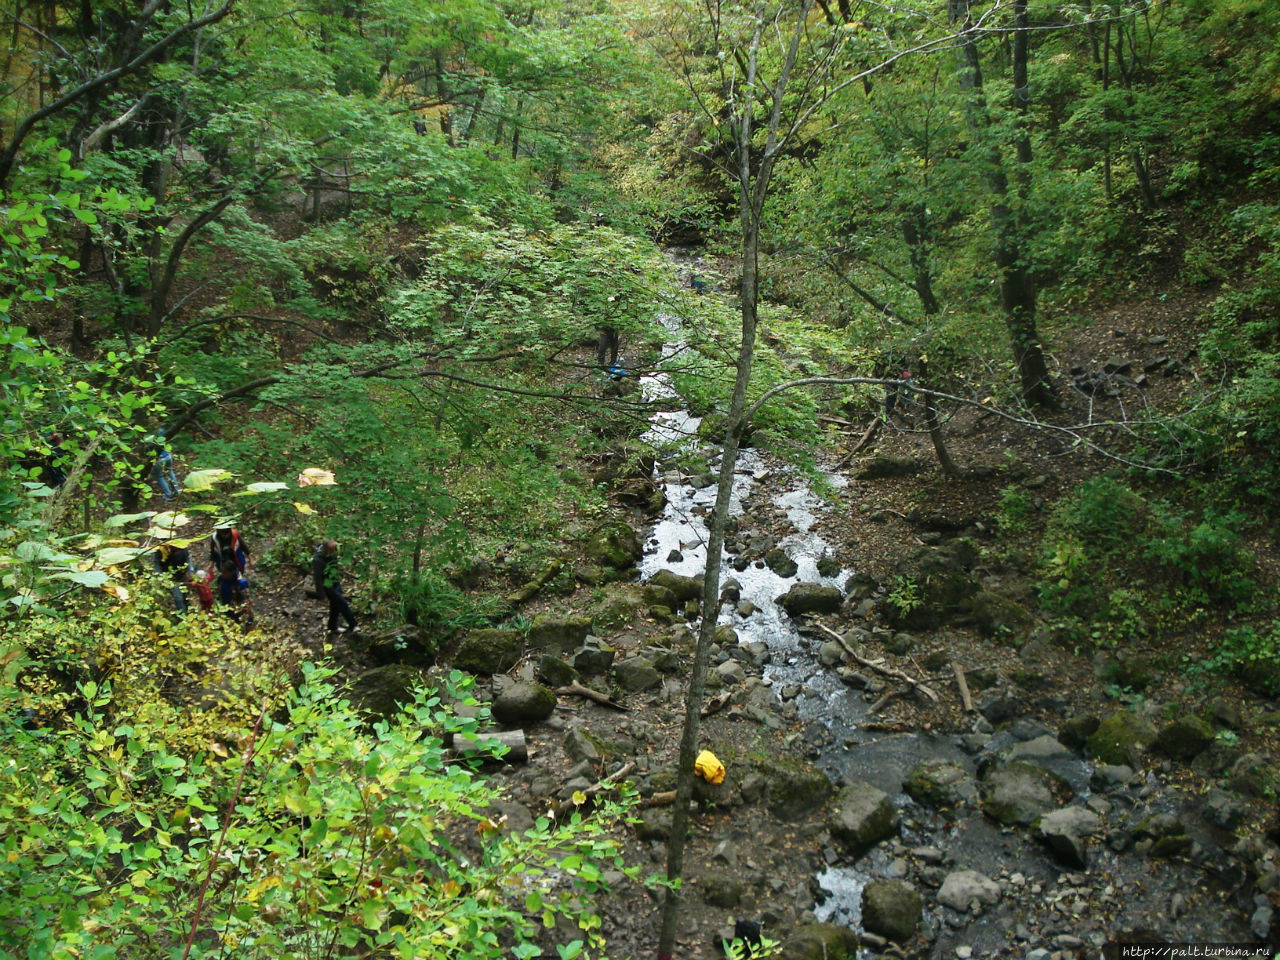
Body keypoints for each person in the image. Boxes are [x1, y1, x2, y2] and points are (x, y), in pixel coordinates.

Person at [312, 539, 358, 635]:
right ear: (326, 548)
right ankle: (353, 625)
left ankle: (332, 626)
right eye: (332, 549)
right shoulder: (318, 560)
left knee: (335, 606)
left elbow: (335, 566)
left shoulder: (332, 553)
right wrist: (322, 595)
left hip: (335, 583)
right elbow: (317, 578)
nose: (334, 551)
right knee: (343, 603)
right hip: (327, 586)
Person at [153, 543, 194, 614]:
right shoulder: (160, 549)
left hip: (182, 575)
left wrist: (190, 571)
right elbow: (157, 563)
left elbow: (188, 558)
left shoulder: (179, 544)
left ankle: (189, 612)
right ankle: (183, 619)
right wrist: (160, 576)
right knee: (179, 598)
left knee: (185, 596)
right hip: (170, 578)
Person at [216, 559, 253, 625]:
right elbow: (219, 592)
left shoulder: (241, 583)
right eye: (222, 572)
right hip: (226, 609)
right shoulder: (221, 579)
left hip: (239, 610)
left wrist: (249, 616)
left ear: (231, 572)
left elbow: (247, 600)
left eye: (225, 573)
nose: (223, 574)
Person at [151, 430, 180, 500]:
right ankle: (177, 491)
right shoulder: (163, 430)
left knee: (159, 476)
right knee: (170, 472)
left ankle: (168, 495)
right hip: (168, 456)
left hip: (159, 459)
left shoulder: (150, 435)